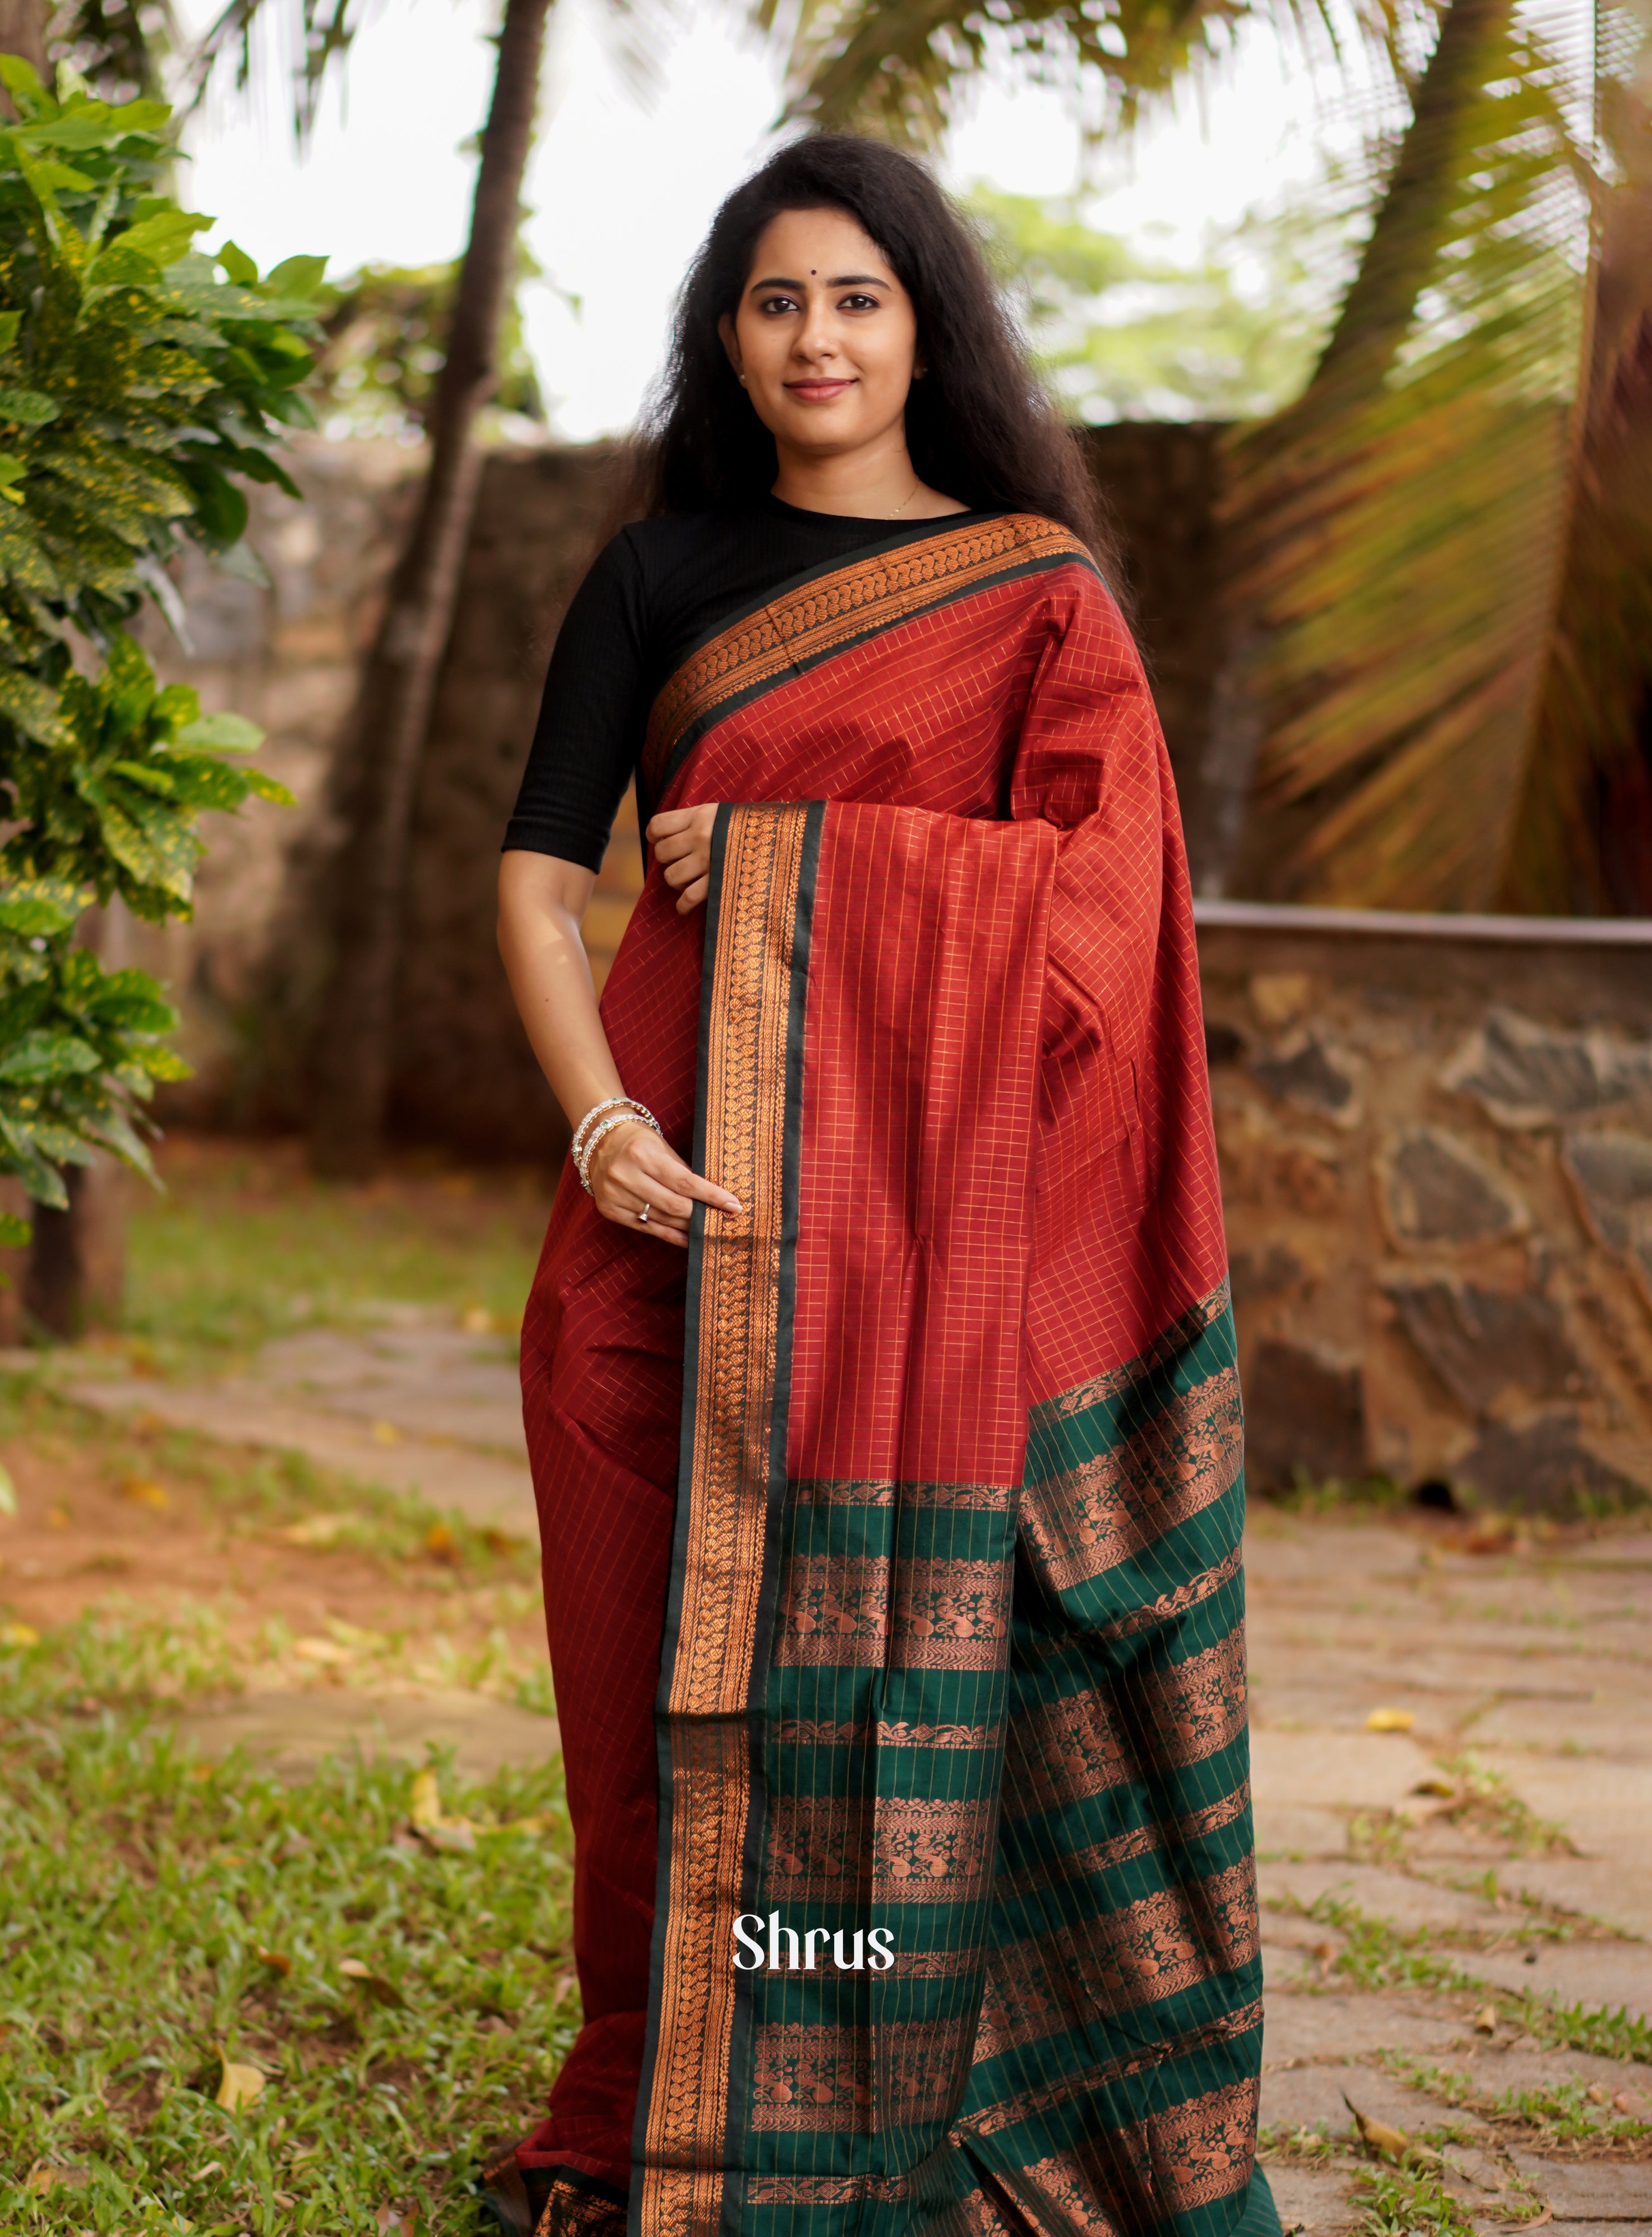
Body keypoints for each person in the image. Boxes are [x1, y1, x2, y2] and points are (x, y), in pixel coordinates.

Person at [487, 133, 1270, 2237]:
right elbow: (538, 881)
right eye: (771, 300)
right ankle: (646, 2104)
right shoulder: (658, 575)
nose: (813, 337)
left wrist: (783, 864)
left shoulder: (1035, 598)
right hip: (655, 1224)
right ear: (724, 339)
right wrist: (602, 1128)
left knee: (931, 1683)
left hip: (924, 1270)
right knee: (647, 1700)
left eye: (853, 295)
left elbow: (1107, 923)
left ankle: (887, 2100)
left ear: (925, 322)